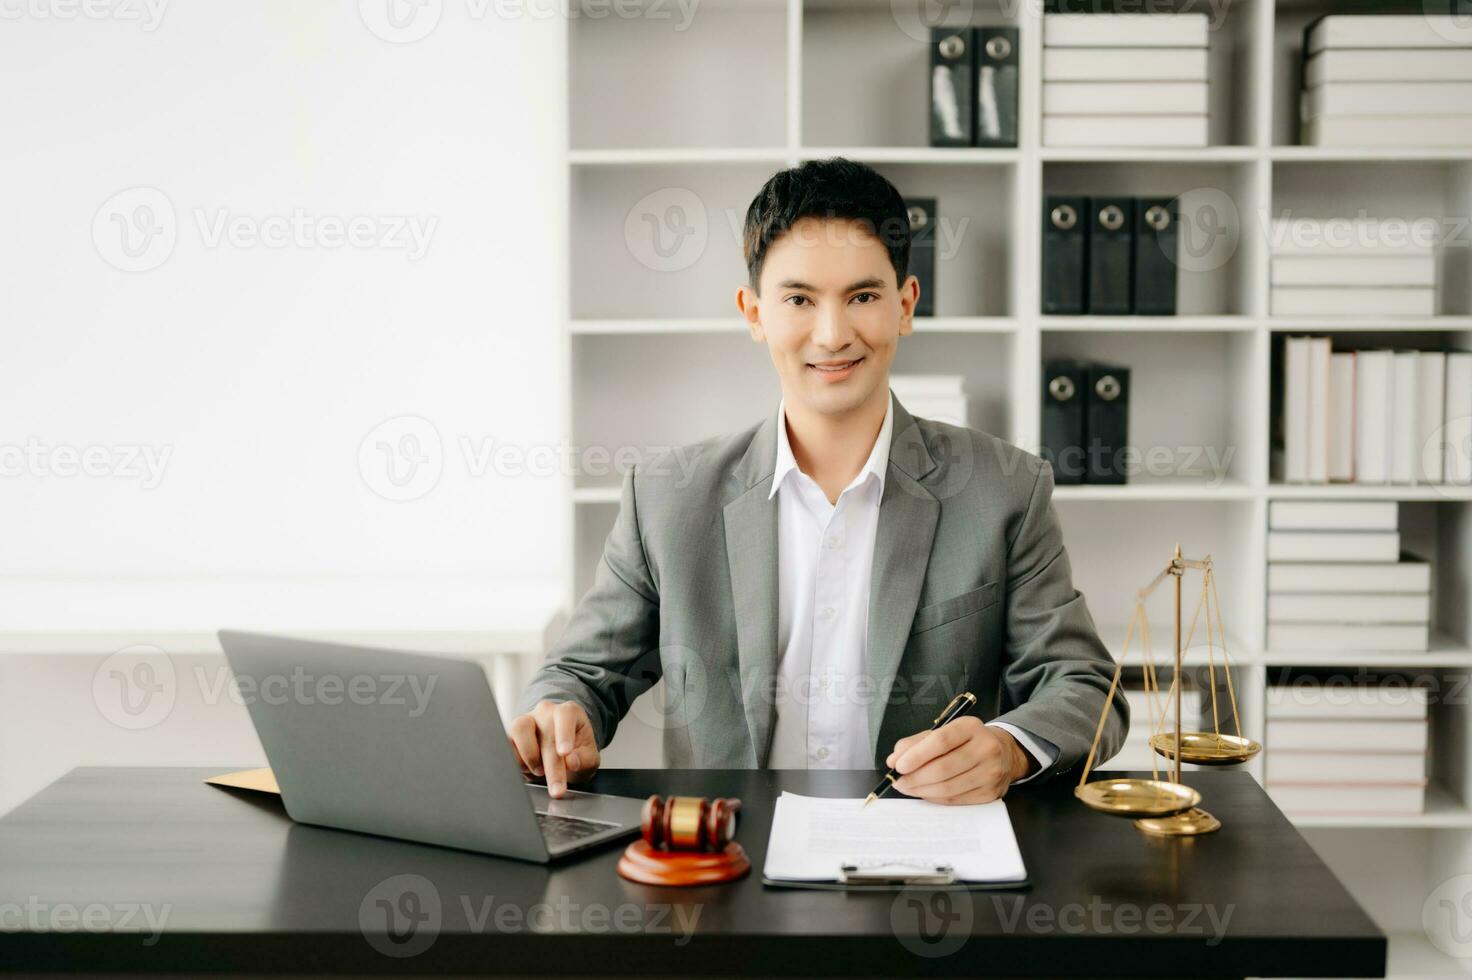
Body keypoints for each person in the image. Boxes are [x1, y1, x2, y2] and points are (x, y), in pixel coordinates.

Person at [511, 157, 1127, 804]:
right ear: (754, 313)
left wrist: (1007, 749)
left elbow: (1085, 686)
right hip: (729, 864)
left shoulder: (1004, 489)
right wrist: (558, 714)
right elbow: (581, 673)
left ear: (906, 306)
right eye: (799, 300)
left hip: (924, 869)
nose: (832, 335)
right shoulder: (667, 497)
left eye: (862, 297)